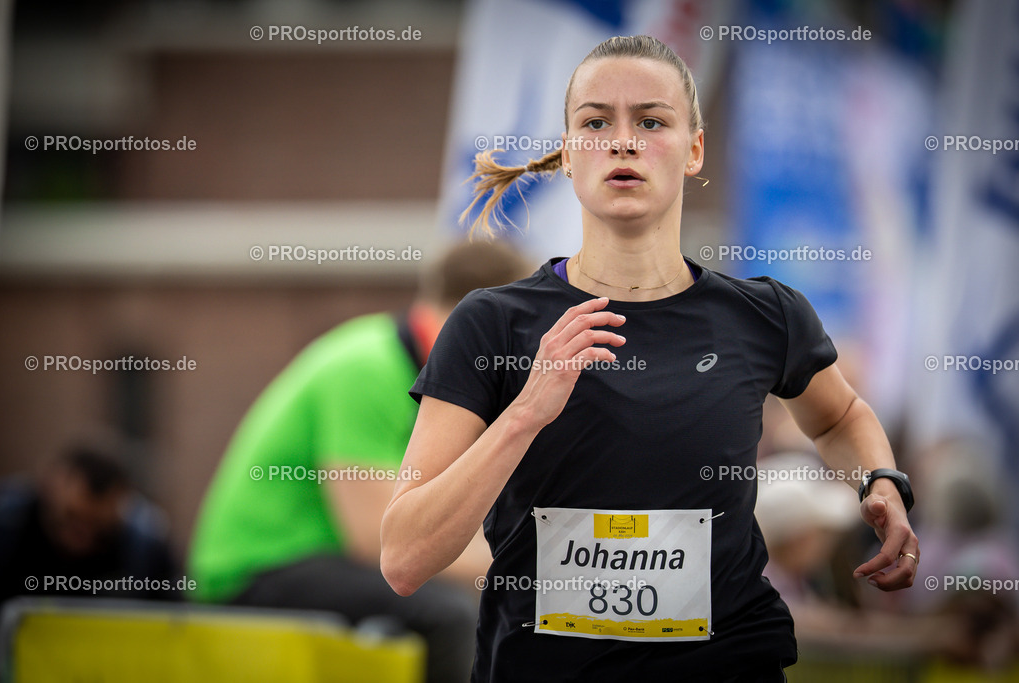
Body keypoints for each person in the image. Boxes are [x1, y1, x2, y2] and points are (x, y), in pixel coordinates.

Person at [380, 35, 919, 682]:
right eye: (597, 122)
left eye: (652, 121)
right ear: (571, 152)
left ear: (694, 149)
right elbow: (404, 556)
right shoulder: (492, 323)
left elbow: (837, 418)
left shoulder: (765, 316)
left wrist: (880, 479)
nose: (623, 141)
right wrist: (523, 415)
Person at [187, 240, 531, 683]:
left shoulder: (424, 373)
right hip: (256, 568)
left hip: (317, 560)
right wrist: (523, 565)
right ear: (484, 321)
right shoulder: (368, 368)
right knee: (450, 614)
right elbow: (375, 540)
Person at [0, 436, 178, 615]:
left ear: (123, 507)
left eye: (98, 527)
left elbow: (173, 618)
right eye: (71, 517)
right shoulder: (5, 524)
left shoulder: (146, 549)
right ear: (50, 485)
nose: (82, 537)